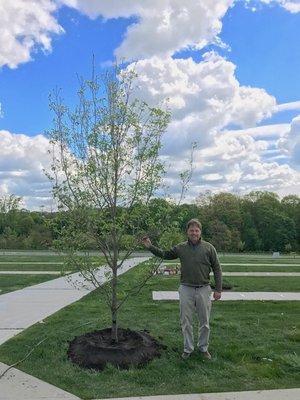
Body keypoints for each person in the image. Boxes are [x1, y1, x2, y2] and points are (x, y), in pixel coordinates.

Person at [142, 218, 222, 360]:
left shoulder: (209, 248)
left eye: (196, 230)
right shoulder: (181, 247)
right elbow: (165, 254)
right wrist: (150, 246)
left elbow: (217, 268)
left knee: (205, 322)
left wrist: (218, 289)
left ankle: (203, 348)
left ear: (200, 232)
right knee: (186, 321)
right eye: (191, 230)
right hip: (186, 289)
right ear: (187, 232)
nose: (194, 233)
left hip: (204, 288)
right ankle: (188, 348)